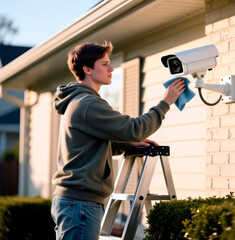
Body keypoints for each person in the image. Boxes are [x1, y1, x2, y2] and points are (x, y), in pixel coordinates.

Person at [50, 41, 185, 240]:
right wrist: (166, 102)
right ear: (87, 69)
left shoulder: (78, 101)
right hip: (81, 204)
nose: (111, 68)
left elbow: (94, 145)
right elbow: (136, 128)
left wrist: (126, 144)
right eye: (104, 64)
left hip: (75, 201)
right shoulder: (87, 103)